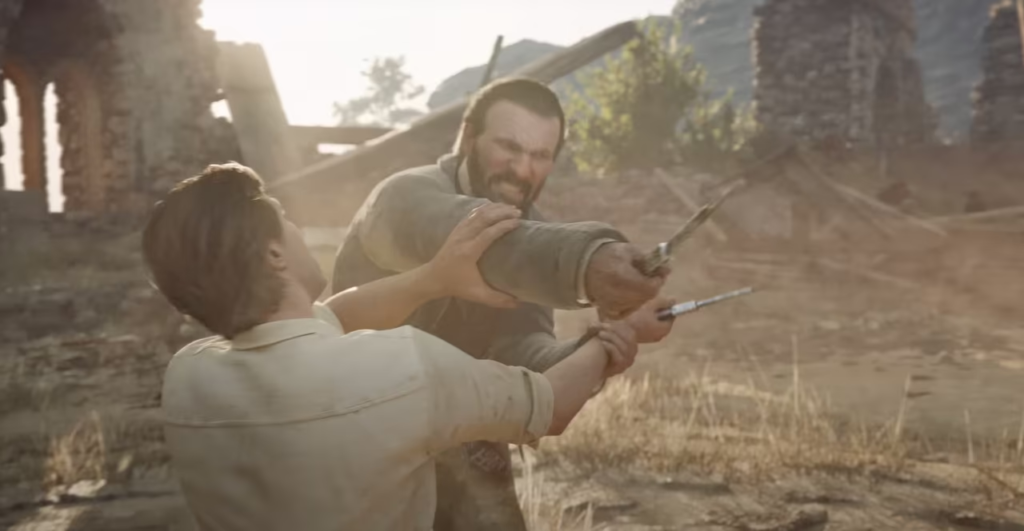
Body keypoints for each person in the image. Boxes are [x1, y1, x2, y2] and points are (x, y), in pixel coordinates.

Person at [142, 162, 657, 531]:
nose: (296, 227)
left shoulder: (189, 377)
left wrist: (434, 278)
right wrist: (615, 335)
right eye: (284, 218)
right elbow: (548, 404)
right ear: (274, 254)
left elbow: (329, 319)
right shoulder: (403, 368)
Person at [330, 77, 676, 530]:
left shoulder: (533, 232)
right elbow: (483, 241)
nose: (522, 170)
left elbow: (524, 355)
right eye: (509, 147)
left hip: (461, 436)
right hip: (363, 428)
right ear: (468, 137)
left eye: (540, 156)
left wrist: (602, 344)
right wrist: (589, 262)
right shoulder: (405, 197)